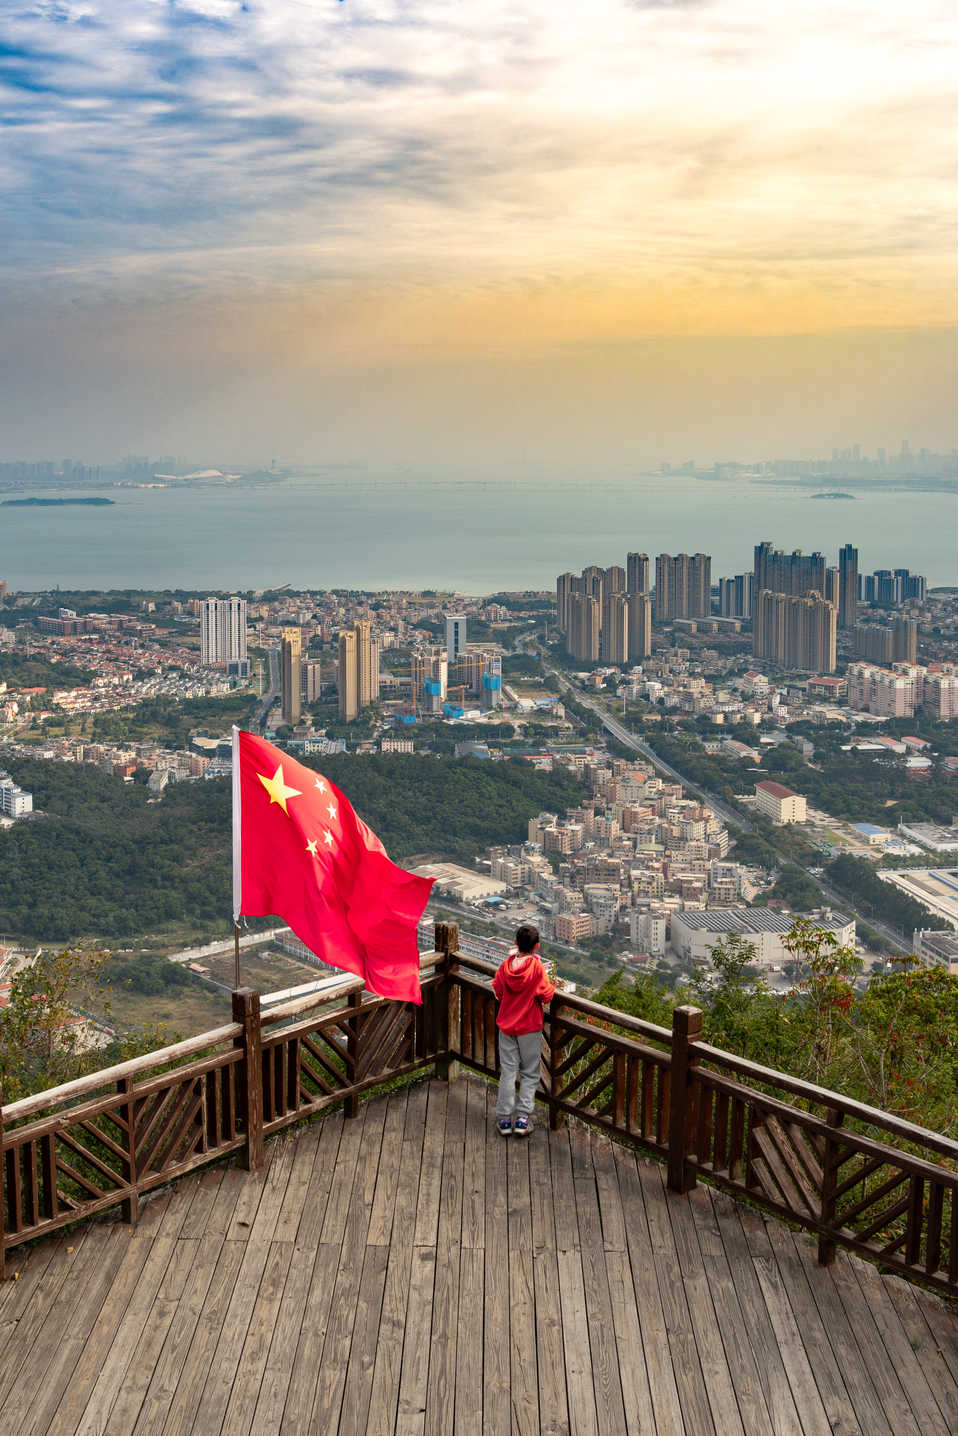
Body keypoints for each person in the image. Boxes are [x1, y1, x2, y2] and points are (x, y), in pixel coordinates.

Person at [492, 924, 555, 1137]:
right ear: (537, 946)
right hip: (529, 1027)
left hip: (507, 1026)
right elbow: (546, 995)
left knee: (508, 1071)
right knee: (529, 1073)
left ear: (516, 943)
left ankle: (503, 1120)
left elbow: (498, 991)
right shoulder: (536, 969)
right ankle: (522, 1120)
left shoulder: (505, 967)